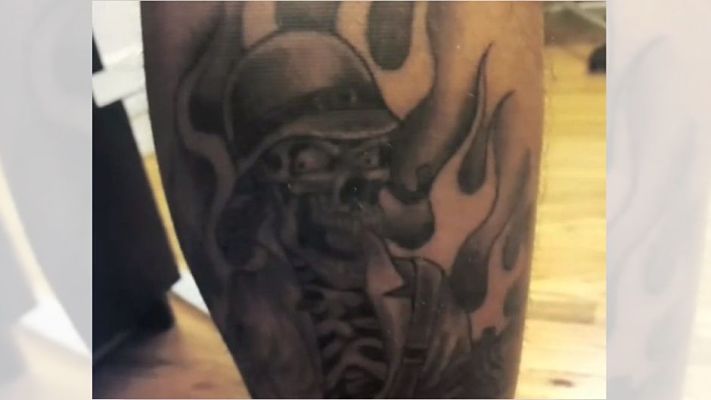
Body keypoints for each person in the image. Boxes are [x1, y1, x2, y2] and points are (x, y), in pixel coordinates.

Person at [142, 2, 543, 398]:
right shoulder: (260, 302)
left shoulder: (426, 293)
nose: (355, 187)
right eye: (315, 161)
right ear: (268, 173)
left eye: (368, 157)